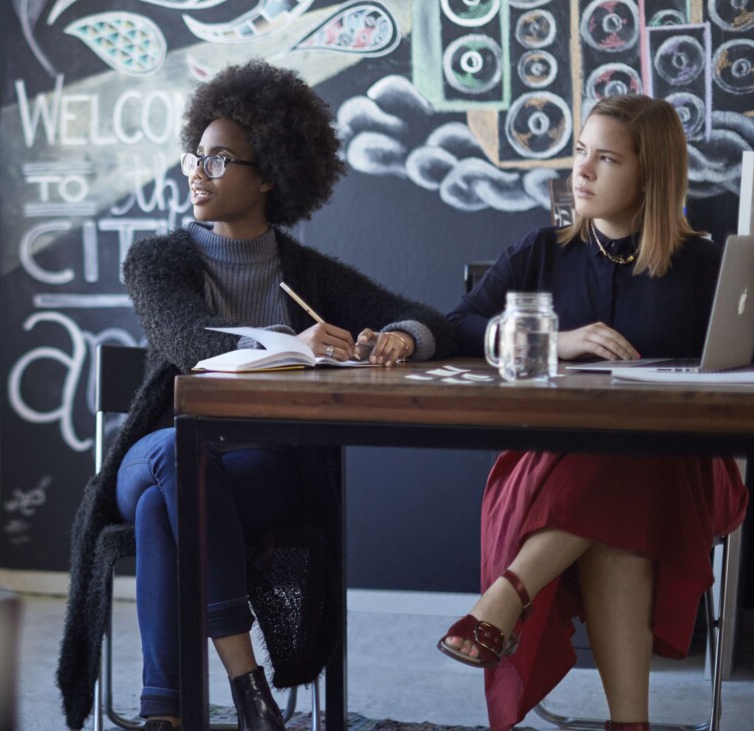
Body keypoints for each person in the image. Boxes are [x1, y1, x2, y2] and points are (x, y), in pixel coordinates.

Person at [56, 60, 458, 730]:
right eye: (196, 157)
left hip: (261, 466)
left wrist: (400, 341)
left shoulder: (307, 273)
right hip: (156, 448)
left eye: (219, 161)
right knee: (173, 466)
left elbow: (429, 318)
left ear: (267, 173)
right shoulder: (157, 261)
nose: (197, 173)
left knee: (165, 508)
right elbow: (192, 347)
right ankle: (246, 679)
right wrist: (293, 346)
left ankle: (167, 714)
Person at [443, 94, 754, 731]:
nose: (580, 171)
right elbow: (457, 327)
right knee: (618, 492)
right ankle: (629, 724)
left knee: (630, 460)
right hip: (554, 467)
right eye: (581, 151)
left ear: (651, 174)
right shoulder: (542, 251)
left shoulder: (701, 264)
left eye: (605, 158)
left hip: (679, 471)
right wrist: (556, 340)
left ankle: (510, 593)